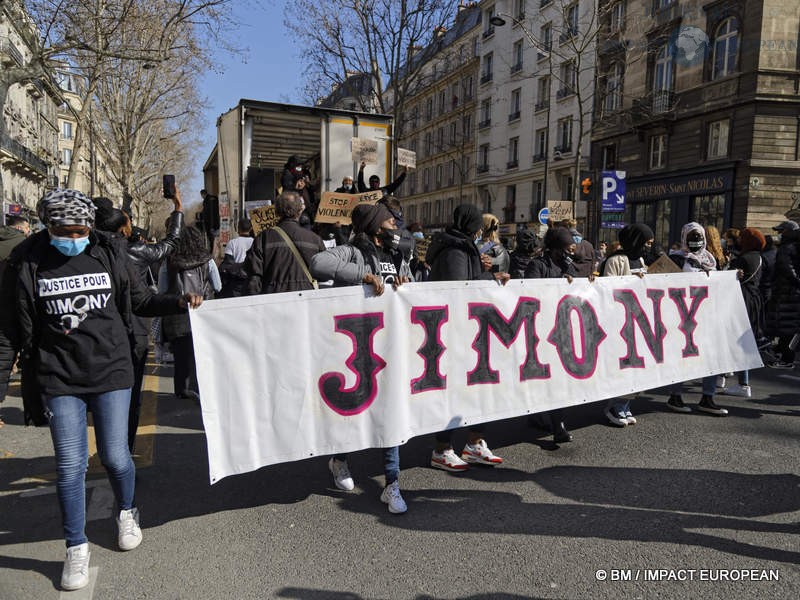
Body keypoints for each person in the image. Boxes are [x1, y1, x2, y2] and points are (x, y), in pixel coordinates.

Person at [0, 189, 202, 591]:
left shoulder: (109, 252)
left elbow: (141, 301)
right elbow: (8, 332)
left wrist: (179, 302)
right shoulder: (25, 261)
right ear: (47, 225)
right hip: (58, 379)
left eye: (79, 230)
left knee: (114, 456)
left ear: (90, 227)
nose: (71, 237)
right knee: (70, 466)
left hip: (111, 370)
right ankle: (76, 547)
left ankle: (127, 510)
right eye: (63, 230)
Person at [309, 202, 412, 514]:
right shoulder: (351, 251)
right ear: (375, 226)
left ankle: (392, 484)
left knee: (390, 411)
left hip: (390, 343)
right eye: (389, 222)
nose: (396, 226)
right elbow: (317, 262)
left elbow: (409, 288)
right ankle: (340, 459)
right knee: (354, 408)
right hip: (357, 347)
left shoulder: (398, 254)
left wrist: (407, 286)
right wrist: (363, 275)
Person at [93, 189, 184, 453]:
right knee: (130, 398)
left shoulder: (86, 255)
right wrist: (177, 208)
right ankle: (122, 450)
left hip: (100, 335)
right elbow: (171, 243)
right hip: (133, 332)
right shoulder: (136, 252)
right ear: (122, 229)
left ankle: (111, 447)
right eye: (128, 222)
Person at [425, 203, 510, 471]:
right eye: (477, 228)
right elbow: (460, 291)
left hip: (468, 330)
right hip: (457, 331)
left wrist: (484, 273)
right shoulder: (455, 249)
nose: (479, 233)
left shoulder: (461, 246)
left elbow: (468, 281)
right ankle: (442, 448)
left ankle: (474, 443)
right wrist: (485, 276)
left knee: (478, 389)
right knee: (457, 391)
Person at [522, 226, 579, 443]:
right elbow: (531, 293)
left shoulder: (568, 266)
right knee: (543, 378)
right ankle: (542, 417)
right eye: (567, 247)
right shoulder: (538, 265)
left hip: (561, 330)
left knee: (558, 379)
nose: (570, 251)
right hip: (540, 330)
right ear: (556, 248)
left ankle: (557, 423)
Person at [665, 222, 729, 415]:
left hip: (707, 316)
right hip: (681, 317)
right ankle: (675, 396)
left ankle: (707, 398)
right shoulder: (675, 259)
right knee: (682, 357)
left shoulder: (710, 259)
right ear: (684, 238)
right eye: (692, 238)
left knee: (712, 357)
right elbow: (657, 280)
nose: (696, 242)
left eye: (699, 238)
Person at [599, 223, 654, 426]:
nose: (649, 246)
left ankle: (625, 404)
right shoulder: (615, 260)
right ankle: (614, 405)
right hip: (619, 320)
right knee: (623, 365)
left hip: (637, 319)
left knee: (637, 365)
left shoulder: (639, 259)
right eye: (647, 242)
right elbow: (607, 287)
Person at [160, 226, 221, 401]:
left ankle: (181, 388)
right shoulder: (206, 260)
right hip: (203, 312)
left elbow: (163, 289)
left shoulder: (169, 261)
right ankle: (201, 387)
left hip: (177, 313)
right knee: (202, 352)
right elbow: (218, 286)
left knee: (181, 354)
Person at [244, 191, 326, 294]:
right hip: (307, 300)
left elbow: (253, 278)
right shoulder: (315, 239)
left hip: (273, 300)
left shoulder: (264, 238)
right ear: (300, 210)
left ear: (277, 211)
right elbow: (324, 274)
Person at [721, 227, 766, 397]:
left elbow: (727, 278)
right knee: (743, 341)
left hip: (740, 299)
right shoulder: (759, 258)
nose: (739, 240)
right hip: (754, 299)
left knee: (730, 340)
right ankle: (737, 380)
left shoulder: (743, 259)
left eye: (743, 238)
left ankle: (739, 382)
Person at [764, 220, 800, 369]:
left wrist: (796, 281)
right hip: (792, 293)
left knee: (786, 327)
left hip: (786, 293)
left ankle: (787, 359)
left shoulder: (786, 248)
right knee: (790, 327)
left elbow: (786, 268)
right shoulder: (795, 246)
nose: (779, 234)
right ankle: (784, 354)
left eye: (782, 231)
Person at [218, 217, 254, 298]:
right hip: (252, 281)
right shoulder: (256, 242)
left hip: (236, 282)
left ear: (238, 228)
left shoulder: (232, 243)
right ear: (251, 228)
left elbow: (228, 264)